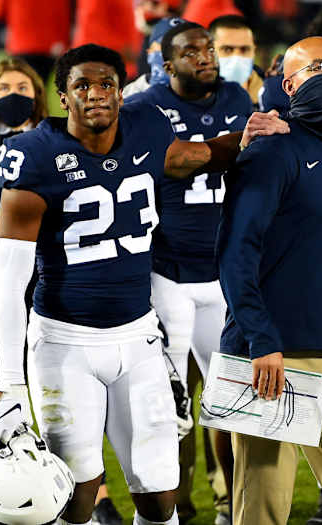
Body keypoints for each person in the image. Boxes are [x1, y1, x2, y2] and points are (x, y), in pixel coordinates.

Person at [0, 43, 287, 525]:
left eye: (107, 83)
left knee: (158, 493)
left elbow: (197, 157)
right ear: (63, 97)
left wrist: (249, 136)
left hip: (138, 335)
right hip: (65, 342)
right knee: (76, 494)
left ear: (123, 92)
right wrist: (9, 383)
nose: (96, 94)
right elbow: (10, 278)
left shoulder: (147, 129)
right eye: (82, 85)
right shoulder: (36, 156)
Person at [217, 36, 322, 525]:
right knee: (264, 505)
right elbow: (234, 252)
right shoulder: (269, 151)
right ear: (288, 84)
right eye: (316, 68)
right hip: (268, 352)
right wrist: (259, 337)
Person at [126, 20, 252, 525]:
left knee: (234, 405)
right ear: (166, 60)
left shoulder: (239, 96)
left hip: (224, 273)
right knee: (167, 410)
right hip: (167, 274)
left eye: (209, 49)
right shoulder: (144, 106)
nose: (206, 58)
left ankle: (232, 506)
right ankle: (169, 510)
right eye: (192, 51)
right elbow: (167, 165)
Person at [0, 57, 47, 393]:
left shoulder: (56, 142)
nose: (12, 95)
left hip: (52, 283)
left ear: (37, 94)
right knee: (4, 387)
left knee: (52, 391)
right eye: (4, 88)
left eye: (21, 88)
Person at [0, 0, 71, 82]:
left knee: (22, 87)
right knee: (39, 87)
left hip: (20, 44)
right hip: (49, 45)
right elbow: (65, 13)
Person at [209, 15, 265, 106]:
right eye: (227, 49)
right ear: (210, 51)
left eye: (244, 49)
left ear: (254, 51)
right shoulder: (193, 96)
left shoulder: (273, 97)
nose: (237, 57)